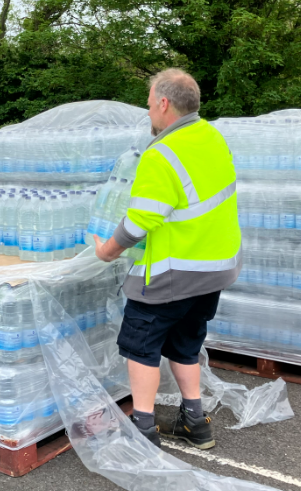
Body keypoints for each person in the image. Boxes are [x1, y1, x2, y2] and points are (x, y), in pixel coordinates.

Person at [93, 69, 241, 449]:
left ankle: (141, 431)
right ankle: (195, 421)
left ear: (163, 103)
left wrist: (106, 252)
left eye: (149, 105)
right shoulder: (212, 137)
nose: (148, 115)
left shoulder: (160, 153)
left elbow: (140, 220)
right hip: (214, 269)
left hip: (172, 273)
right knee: (185, 344)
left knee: (141, 347)